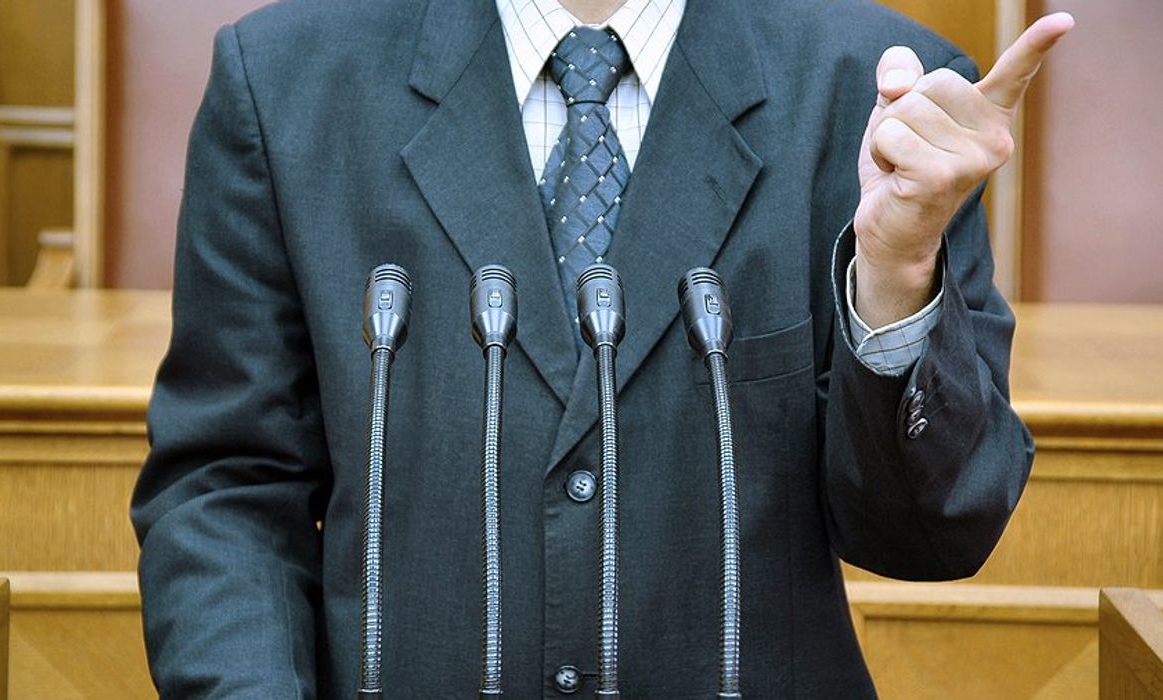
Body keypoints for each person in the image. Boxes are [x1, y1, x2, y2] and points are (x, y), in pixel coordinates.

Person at [130, 0, 1072, 696]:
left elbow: (931, 534)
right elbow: (226, 489)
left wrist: (898, 270)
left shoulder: (871, 91)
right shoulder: (286, 77)